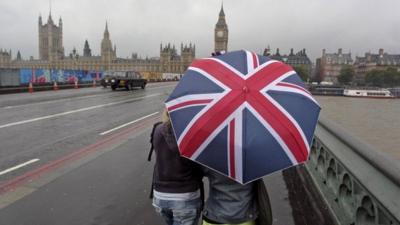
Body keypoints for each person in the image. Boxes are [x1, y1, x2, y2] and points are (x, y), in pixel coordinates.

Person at [149, 109, 203, 225]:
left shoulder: (157, 130)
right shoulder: (190, 134)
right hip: (185, 196)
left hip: (160, 195)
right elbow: (199, 166)